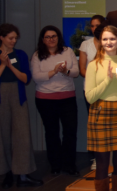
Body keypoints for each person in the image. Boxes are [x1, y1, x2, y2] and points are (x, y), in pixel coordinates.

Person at [0, 23, 43, 189]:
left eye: (15, 38)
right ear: (1, 38)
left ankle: (23, 174)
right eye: (10, 38)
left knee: (22, 135)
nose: (14, 41)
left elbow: (25, 79)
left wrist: (10, 65)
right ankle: (7, 172)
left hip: (18, 96)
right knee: (2, 135)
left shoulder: (20, 55)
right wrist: (2, 64)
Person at [85, 25, 117, 191]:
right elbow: (90, 97)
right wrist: (107, 80)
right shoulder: (93, 65)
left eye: (112, 38)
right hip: (100, 114)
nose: (108, 42)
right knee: (102, 164)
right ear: (100, 42)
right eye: (105, 39)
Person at [31, 25, 80, 176]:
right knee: (52, 133)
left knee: (70, 132)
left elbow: (76, 72)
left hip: (67, 98)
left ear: (58, 37)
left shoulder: (68, 51)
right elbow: (36, 77)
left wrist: (65, 71)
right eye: (47, 37)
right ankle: (55, 165)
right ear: (43, 40)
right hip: (45, 100)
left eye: (54, 36)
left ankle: (69, 164)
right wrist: (54, 71)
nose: (51, 39)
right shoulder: (37, 55)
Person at [79, 16, 105, 170]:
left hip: (108, 90)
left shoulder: (110, 41)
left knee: (106, 125)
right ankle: (96, 158)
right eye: (93, 26)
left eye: (98, 25)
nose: (95, 28)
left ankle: (108, 159)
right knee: (94, 124)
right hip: (90, 89)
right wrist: (95, 76)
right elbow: (82, 69)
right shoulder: (86, 44)